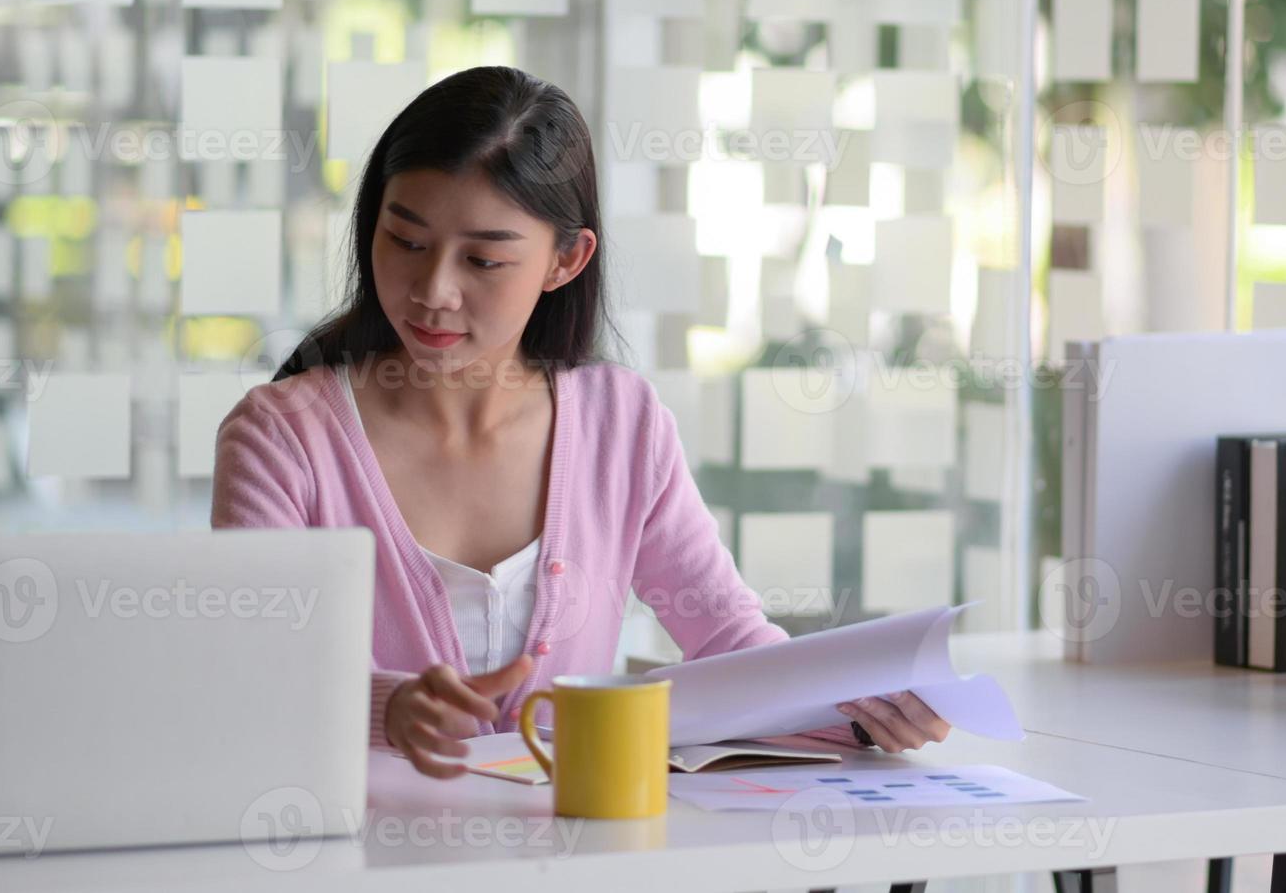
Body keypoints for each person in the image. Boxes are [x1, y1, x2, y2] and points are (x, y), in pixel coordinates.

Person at [211, 65, 950, 779]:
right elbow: (252, 670)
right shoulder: (282, 438)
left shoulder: (621, 424)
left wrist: (864, 707)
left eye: (483, 260)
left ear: (566, 260)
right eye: (405, 242)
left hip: (569, 852)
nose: (433, 290)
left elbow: (728, 643)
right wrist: (389, 708)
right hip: (356, 855)